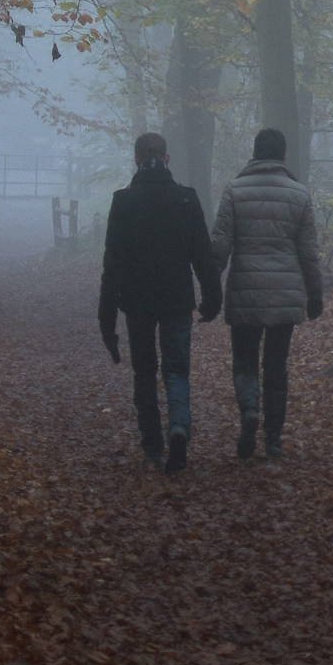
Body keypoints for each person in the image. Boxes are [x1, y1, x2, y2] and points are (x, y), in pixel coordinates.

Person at [98, 133, 221, 473]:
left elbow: (113, 265)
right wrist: (212, 297)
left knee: (145, 372)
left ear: (136, 160)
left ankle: (152, 445)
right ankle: (179, 426)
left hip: (136, 302)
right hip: (177, 300)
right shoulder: (185, 199)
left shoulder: (123, 201)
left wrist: (106, 321)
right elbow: (203, 256)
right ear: (167, 158)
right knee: (177, 370)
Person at [210, 127, 324, 462]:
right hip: (285, 295)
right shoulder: (299, 195)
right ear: (283, 155)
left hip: (246, 292)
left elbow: (219, 246)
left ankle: (249, 409)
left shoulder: (234, 191)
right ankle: (273, 439)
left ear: (255, 153)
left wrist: (210, 286)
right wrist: (315, 295)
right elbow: (309, 253)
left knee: (245, 362)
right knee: (276, 365)